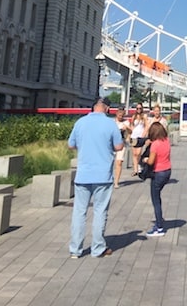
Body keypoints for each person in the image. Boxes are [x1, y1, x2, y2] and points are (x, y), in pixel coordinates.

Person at [68, 97, 124, 259]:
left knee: (79, 212)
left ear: (93, 107)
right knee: (100, 212)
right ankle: (98, 248)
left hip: (83, 174)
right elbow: (118, 146)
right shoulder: (110, 124)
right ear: (107, 108)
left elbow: (71, 144)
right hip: (103, 175)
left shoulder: (80, 123)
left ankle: (75, 250)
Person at [143, 121, 172, 236]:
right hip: (167, 170)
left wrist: (145, 160)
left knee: (156, 200)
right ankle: (159, 221)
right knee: (158, 196)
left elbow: (151, 161)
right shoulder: (166, 141)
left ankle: (159, 227)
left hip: (158, 172)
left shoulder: (155, 144)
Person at [113, 108, 131, 188]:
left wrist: (126, 128)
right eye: (119, 115)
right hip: (112, 144)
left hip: (122, 143)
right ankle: (110, 179)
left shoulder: (126, 122)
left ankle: (116, 182)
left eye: (122, 115)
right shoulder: (112, 122)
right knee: (110, 162)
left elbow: (131, 132)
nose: (120, 117)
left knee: (119, 162)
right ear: (116, 114)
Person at [129, 103, 148, 175]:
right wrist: (131, 131)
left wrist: (144, 134)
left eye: (140, 108)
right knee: (134, 153)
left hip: (140, 136)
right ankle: (135, 169)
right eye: (137, 108)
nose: (138, 110)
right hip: (133, 136)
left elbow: (147, 126)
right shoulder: (134, 116)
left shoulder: (144, 116)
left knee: (138, 153)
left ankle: (139, 166)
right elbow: (131, 125)